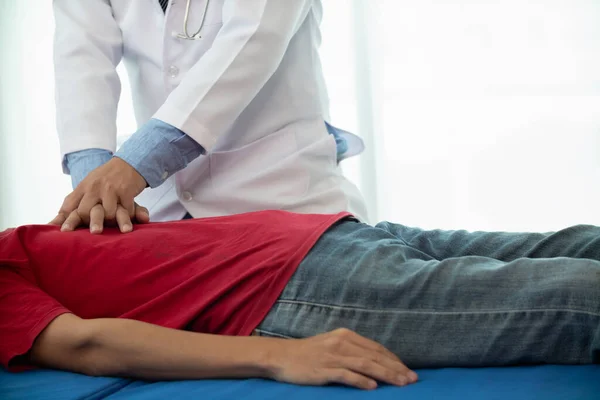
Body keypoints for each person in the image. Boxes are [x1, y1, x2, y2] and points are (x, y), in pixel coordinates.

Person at [1, 211, 599, 390]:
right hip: (303, 236)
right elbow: (88, 331)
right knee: (575, 258)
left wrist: (272, 357)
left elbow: (85, 342)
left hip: (295, 278)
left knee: (580, 295)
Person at [51, 0, 368, 234]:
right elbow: (81, 62)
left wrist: (134, 164)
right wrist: (93, 193)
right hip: (162, 213)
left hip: (283, 198)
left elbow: (252, 38)